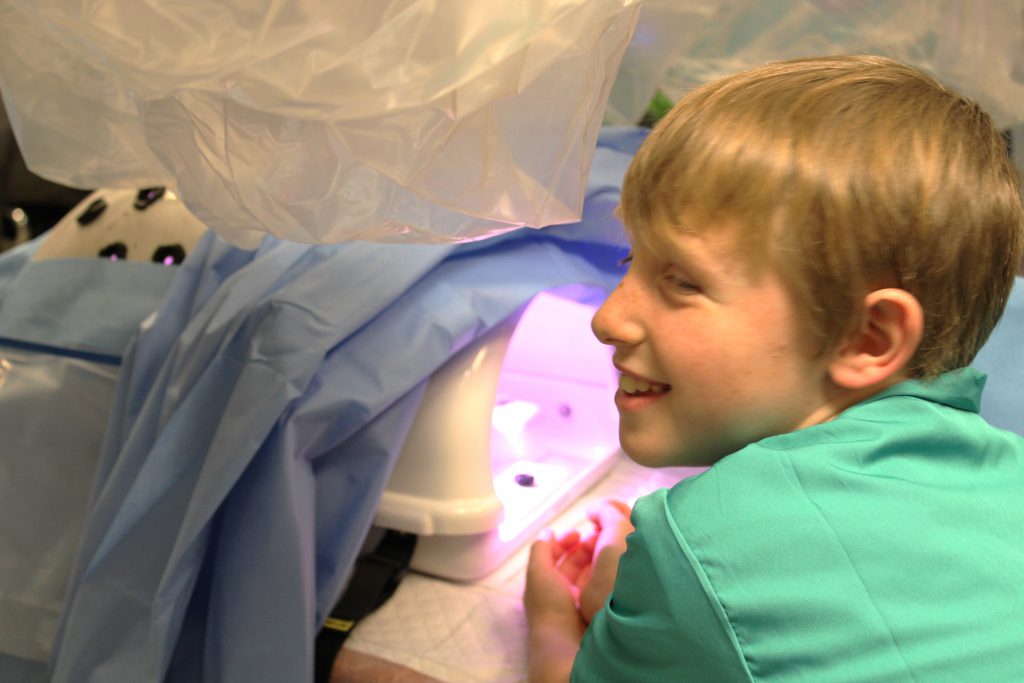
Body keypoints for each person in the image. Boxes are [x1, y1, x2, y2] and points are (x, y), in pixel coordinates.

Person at [523, 55, 1024, 681]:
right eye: (630, 258)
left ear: (866, 338)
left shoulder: (700, 540)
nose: (608, 318)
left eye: (680, 280)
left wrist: (551, 627)